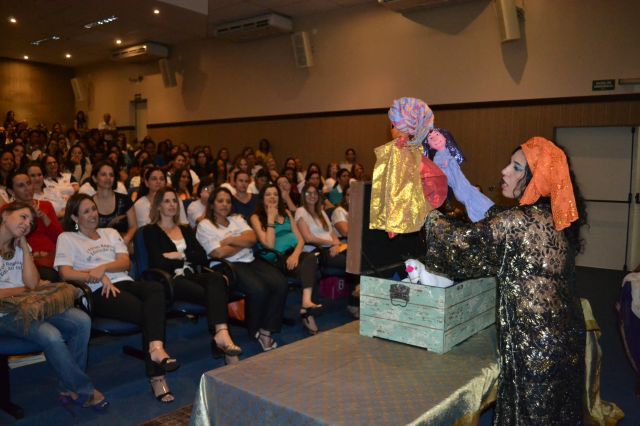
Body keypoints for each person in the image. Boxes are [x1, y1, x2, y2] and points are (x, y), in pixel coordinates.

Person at [423, 136, 587, 424]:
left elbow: (461, 241)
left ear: (537, 178)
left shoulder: (518, 223)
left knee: (530, 415)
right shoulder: (554, 218)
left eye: (516, 167)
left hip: (534, 346)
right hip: (566, 337)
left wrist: (428, 215)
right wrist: (451, 171)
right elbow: (488, 212)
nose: (504, 171)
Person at [54, 193, 180, 403]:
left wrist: (103, 267)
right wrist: (96, 276)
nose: (93, 214)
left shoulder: (110, 233)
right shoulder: (67, 238)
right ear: (75, 218)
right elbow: (65, 273)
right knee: (150, 314)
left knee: (155, 288)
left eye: (94, 209)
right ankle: (157, 376)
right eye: (86, 211)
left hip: (124, 282)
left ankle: (156, 349)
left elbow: (125, 263)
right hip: (98, 292)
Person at [0, 202, 108, 411]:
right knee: (50, 335)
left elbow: (32, 283)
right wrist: (23, 289)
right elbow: (28, 288)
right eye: (22, 217)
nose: (27, 224)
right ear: (5, 215)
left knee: (81, 320)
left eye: (30, 222)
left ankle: (68, 387)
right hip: (4, 313)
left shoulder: (21, 246)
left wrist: (24, 247)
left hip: (29, 305)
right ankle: (84, 390)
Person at [144, 187, 242, 364]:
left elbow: (202, 257)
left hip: (190, 276)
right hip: (171, 281)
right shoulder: (150, 231)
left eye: (175, 201)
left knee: (216, 278)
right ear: (158, 206)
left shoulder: (185, 229)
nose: (172, 205)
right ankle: (223, 340)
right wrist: (187, 258)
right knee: (216, 295)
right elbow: (158, 263)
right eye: (167, 201)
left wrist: (180, 256)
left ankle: (221, 335)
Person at [196, 187, 288, 352]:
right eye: (220, 201)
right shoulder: (205, 225)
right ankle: (255, 330)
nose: (225, 204)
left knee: (280, 282)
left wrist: (230, 240)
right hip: (226, 266)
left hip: (250, 260)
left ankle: (266, 331)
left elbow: (252, 239)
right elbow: (218, 253)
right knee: (258, 289)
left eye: (228, 201)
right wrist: (242, 242)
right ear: (212, 204)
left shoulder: (236, 219)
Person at [250, 184, 322, 335]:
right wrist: (270, 219)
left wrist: (295, 254)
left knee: (311, 258)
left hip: (293, 254)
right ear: (262, 198)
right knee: (312, 272)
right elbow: (269, 245)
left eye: (275, 194)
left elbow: (300, 239)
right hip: (275, 259)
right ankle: (307, 313)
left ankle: (306, 303)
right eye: (268, 194)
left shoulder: (287, 213)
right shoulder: (256, 217)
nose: (272, 197)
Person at [7, 170, 62, 279]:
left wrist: (44, 217)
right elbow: (7, 241)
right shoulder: (7, 211)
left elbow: (60, 237)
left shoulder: (46, 206)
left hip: (52, 255)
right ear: (11, 191)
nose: (27, 188)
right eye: (21, 186)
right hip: (26, 259)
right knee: (51, 276)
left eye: (28, 183)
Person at [89, 162, 137, 245]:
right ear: (94, 178)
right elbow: (77, 227)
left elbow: (133, 226)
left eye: (111, 175)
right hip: (95, 247)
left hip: (122, 244)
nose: (108, 178)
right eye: (103, 174)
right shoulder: (87, 203)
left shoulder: (125, 200)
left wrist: (125, 240)